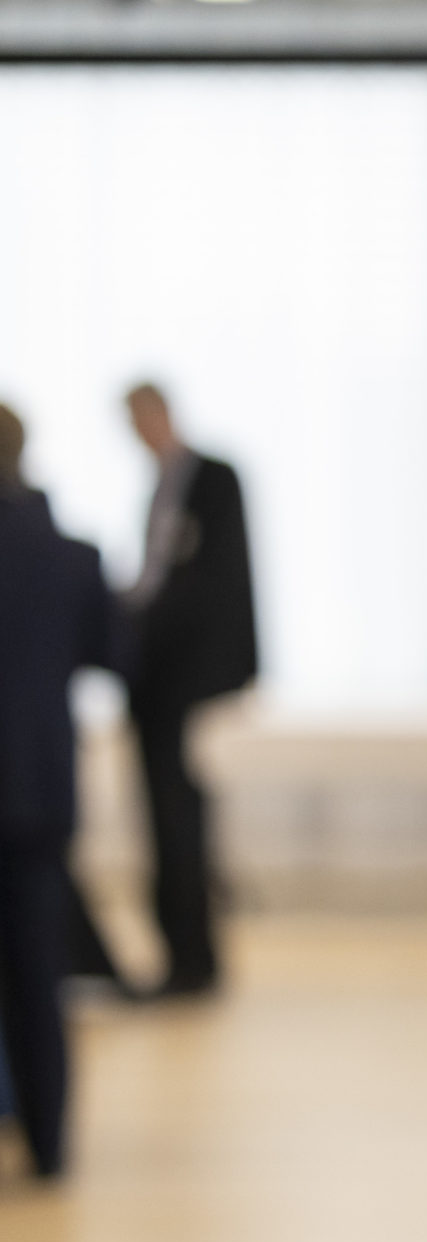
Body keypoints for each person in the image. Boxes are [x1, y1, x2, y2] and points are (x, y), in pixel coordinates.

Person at [0, 402, 127, 1176]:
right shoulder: (71, 555)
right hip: (39, 792)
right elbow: (113, 653)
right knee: (39, 976)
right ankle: (48, 1144)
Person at [122, 381, 256, 998]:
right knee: (166, 818)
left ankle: (193, 961)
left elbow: (210, 584)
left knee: (181, 818)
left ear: (163, 414)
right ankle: (181, 955)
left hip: (191, 678)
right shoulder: (157, 488)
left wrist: (137, 619)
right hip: (158, 676)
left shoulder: (214, 480)